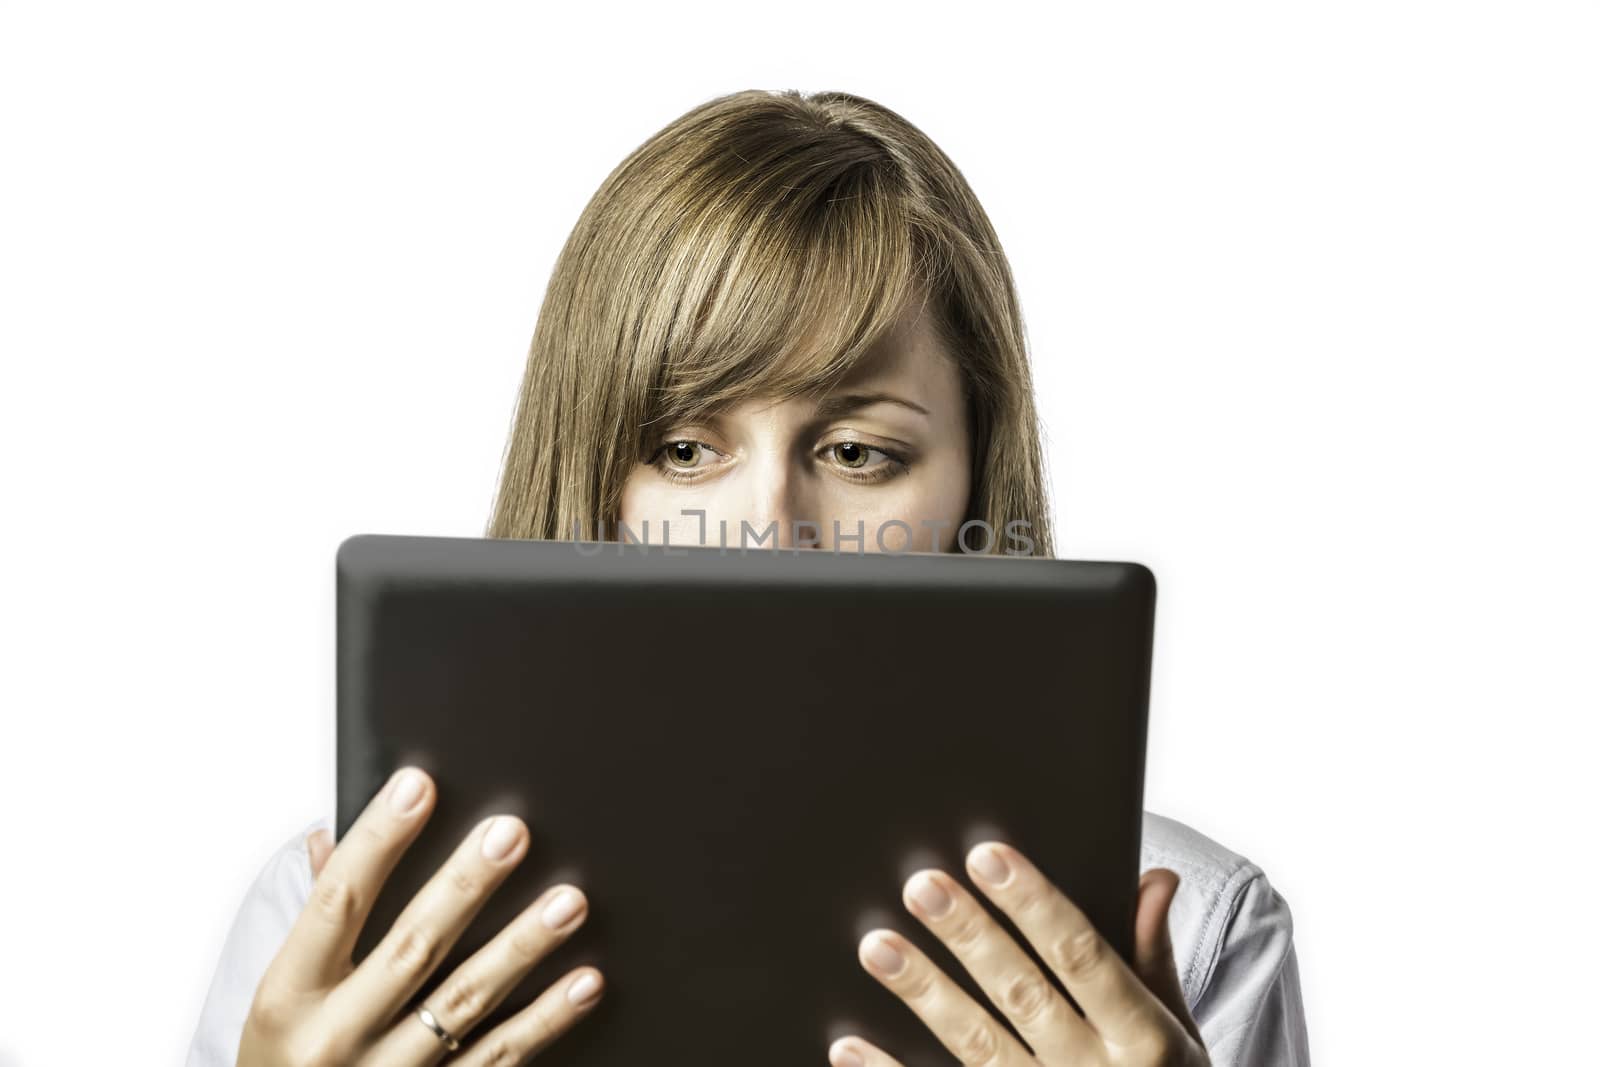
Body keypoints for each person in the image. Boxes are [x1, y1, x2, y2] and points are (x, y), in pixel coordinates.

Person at [187, 88, 1310, 1067]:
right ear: (592, 481)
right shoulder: (333, 933)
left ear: (978, 481)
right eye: (684, 450)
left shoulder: (1191, 930)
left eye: (859, 452)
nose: (767, 527)